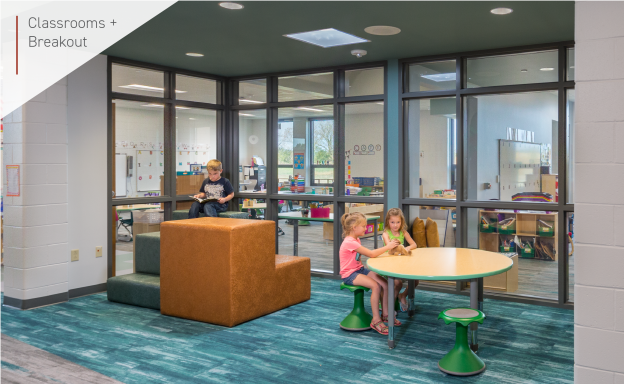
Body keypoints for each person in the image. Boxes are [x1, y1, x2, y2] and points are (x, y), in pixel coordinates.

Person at [340, 212, 402, 335]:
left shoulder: (356, 239)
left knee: (385, 284)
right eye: (363, 226)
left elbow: (359, 258)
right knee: (376, 286)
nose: (366, 228)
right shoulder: (349, 242)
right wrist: (388, 246)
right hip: (350, 274)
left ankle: (386, 314)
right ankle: (376, 320)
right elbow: (372, 254)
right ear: (354, 227)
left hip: (359, 270)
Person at [382, 208, 419, 313]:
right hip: (389, 264)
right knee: (398, 284)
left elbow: (414, 244)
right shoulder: (386, 233)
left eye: (398, 222)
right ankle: (390, 307)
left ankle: (402, 295)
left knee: (415, 280)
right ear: (388, 222)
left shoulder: (403, 232)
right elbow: (389, 247)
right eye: (392, 222)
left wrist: (407, 248)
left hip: (401, 263)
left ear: (401, 222)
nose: (395, 225)